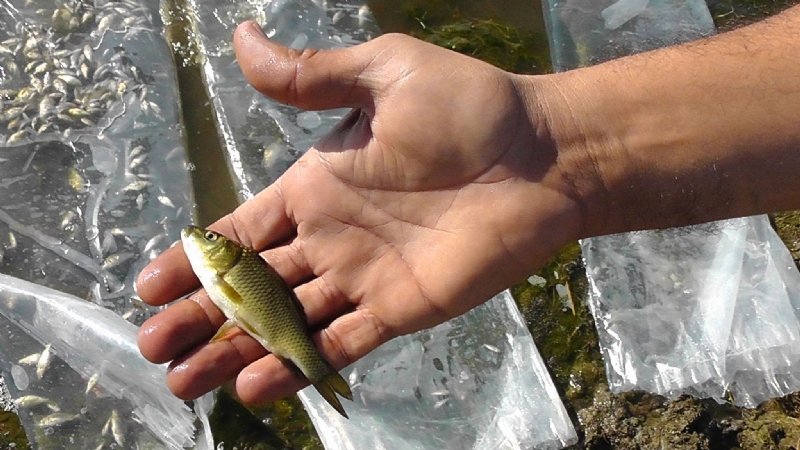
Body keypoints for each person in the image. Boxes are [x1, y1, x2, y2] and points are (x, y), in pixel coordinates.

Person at [136, 6, 800, 405]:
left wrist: (551, 139)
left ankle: (316, 371)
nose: (205, 238)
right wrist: (558, 142)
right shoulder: (234, 272)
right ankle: (317, 372)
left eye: (211, 242)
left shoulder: (232, 267)